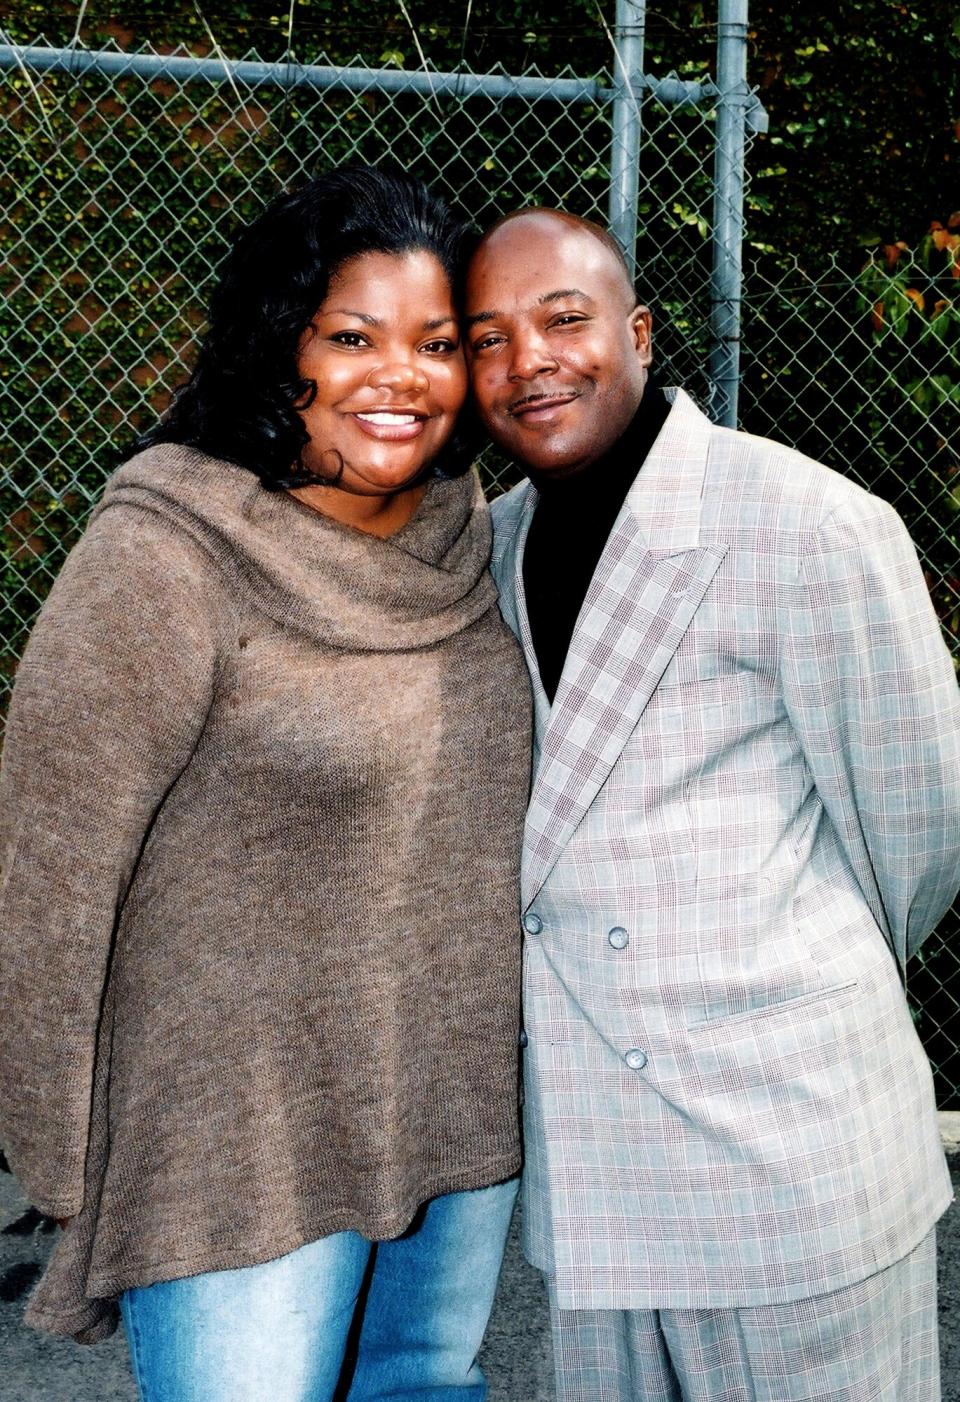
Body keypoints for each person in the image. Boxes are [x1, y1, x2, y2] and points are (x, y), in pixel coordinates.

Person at [0, 166, 532, 1401]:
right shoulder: (170, 546)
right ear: (274, 340)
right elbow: (48, 866)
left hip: (445, 1106)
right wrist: (59, 1150)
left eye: (437, 343)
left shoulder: (477, 536)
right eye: (350, 336)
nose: (396, 376)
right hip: (236, 1141)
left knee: (422, 1388)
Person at [464, 206, 960, 1402]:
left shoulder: (805, 526)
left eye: (565, 318)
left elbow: (925, 826)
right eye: (487, 337)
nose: (530, 359)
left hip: (782, 1158)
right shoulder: (490, 548)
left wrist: (769, 980)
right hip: (599, 1173)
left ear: (637, 333)